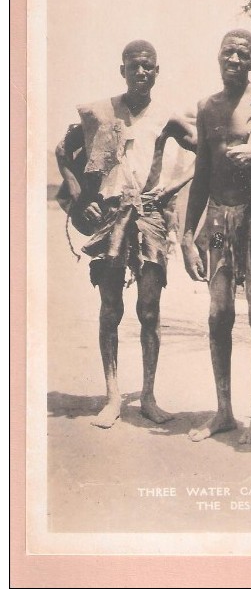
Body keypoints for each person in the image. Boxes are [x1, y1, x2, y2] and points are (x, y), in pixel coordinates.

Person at [56, 40, 196, 429]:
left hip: (149, 215)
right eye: (134, 66)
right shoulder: (101, 113)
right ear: (122, 70)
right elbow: (62, 150)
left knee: (149, 311)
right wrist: (78, 194)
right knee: (110, 309)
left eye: (148, 66)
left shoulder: (167, 116)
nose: (141, 72)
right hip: (111, 215)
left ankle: (148, 396)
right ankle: (113, 395)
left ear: (156, 71)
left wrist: (172, 187)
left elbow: (206, 151)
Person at [181, 29, 251, 444]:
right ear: (217, 55)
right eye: (228, 52)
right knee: (218, 315)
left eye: (243, 54)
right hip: (218, 221)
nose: (234, 59)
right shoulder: (207, 108)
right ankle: (224, 410)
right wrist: (187, 236)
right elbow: (202, 175)